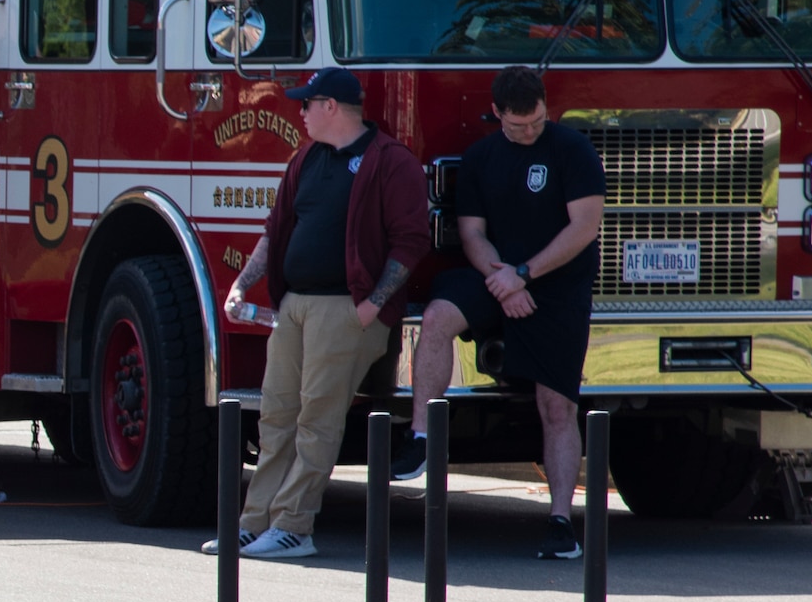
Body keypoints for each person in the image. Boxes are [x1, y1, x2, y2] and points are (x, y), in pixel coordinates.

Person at [213, 68, 431, 559]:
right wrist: (243, 284)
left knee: (317, 419)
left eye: (307, 103)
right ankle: (255, 523)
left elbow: (411, 241)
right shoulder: (305, 158)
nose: (300, 111)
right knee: (276, 417)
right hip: (294, 306)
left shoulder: (390, 162)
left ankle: (295, 527)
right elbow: (275, 231)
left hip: (345, 311)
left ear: (331, 106)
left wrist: (371, 306)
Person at [399, 65, 605, 560]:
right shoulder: (481, 157)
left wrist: (525, 274)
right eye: (517, 125)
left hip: (555, 286)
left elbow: (585, 227)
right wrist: (501, 278)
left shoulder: (573, 151)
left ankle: (560, 521)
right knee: (437, 318)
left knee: (558, 407)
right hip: (498, 276)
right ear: (497, 114)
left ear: (544, 107)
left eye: (535, 121)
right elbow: (471, 232)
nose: (527, 131)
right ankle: (420, 435)